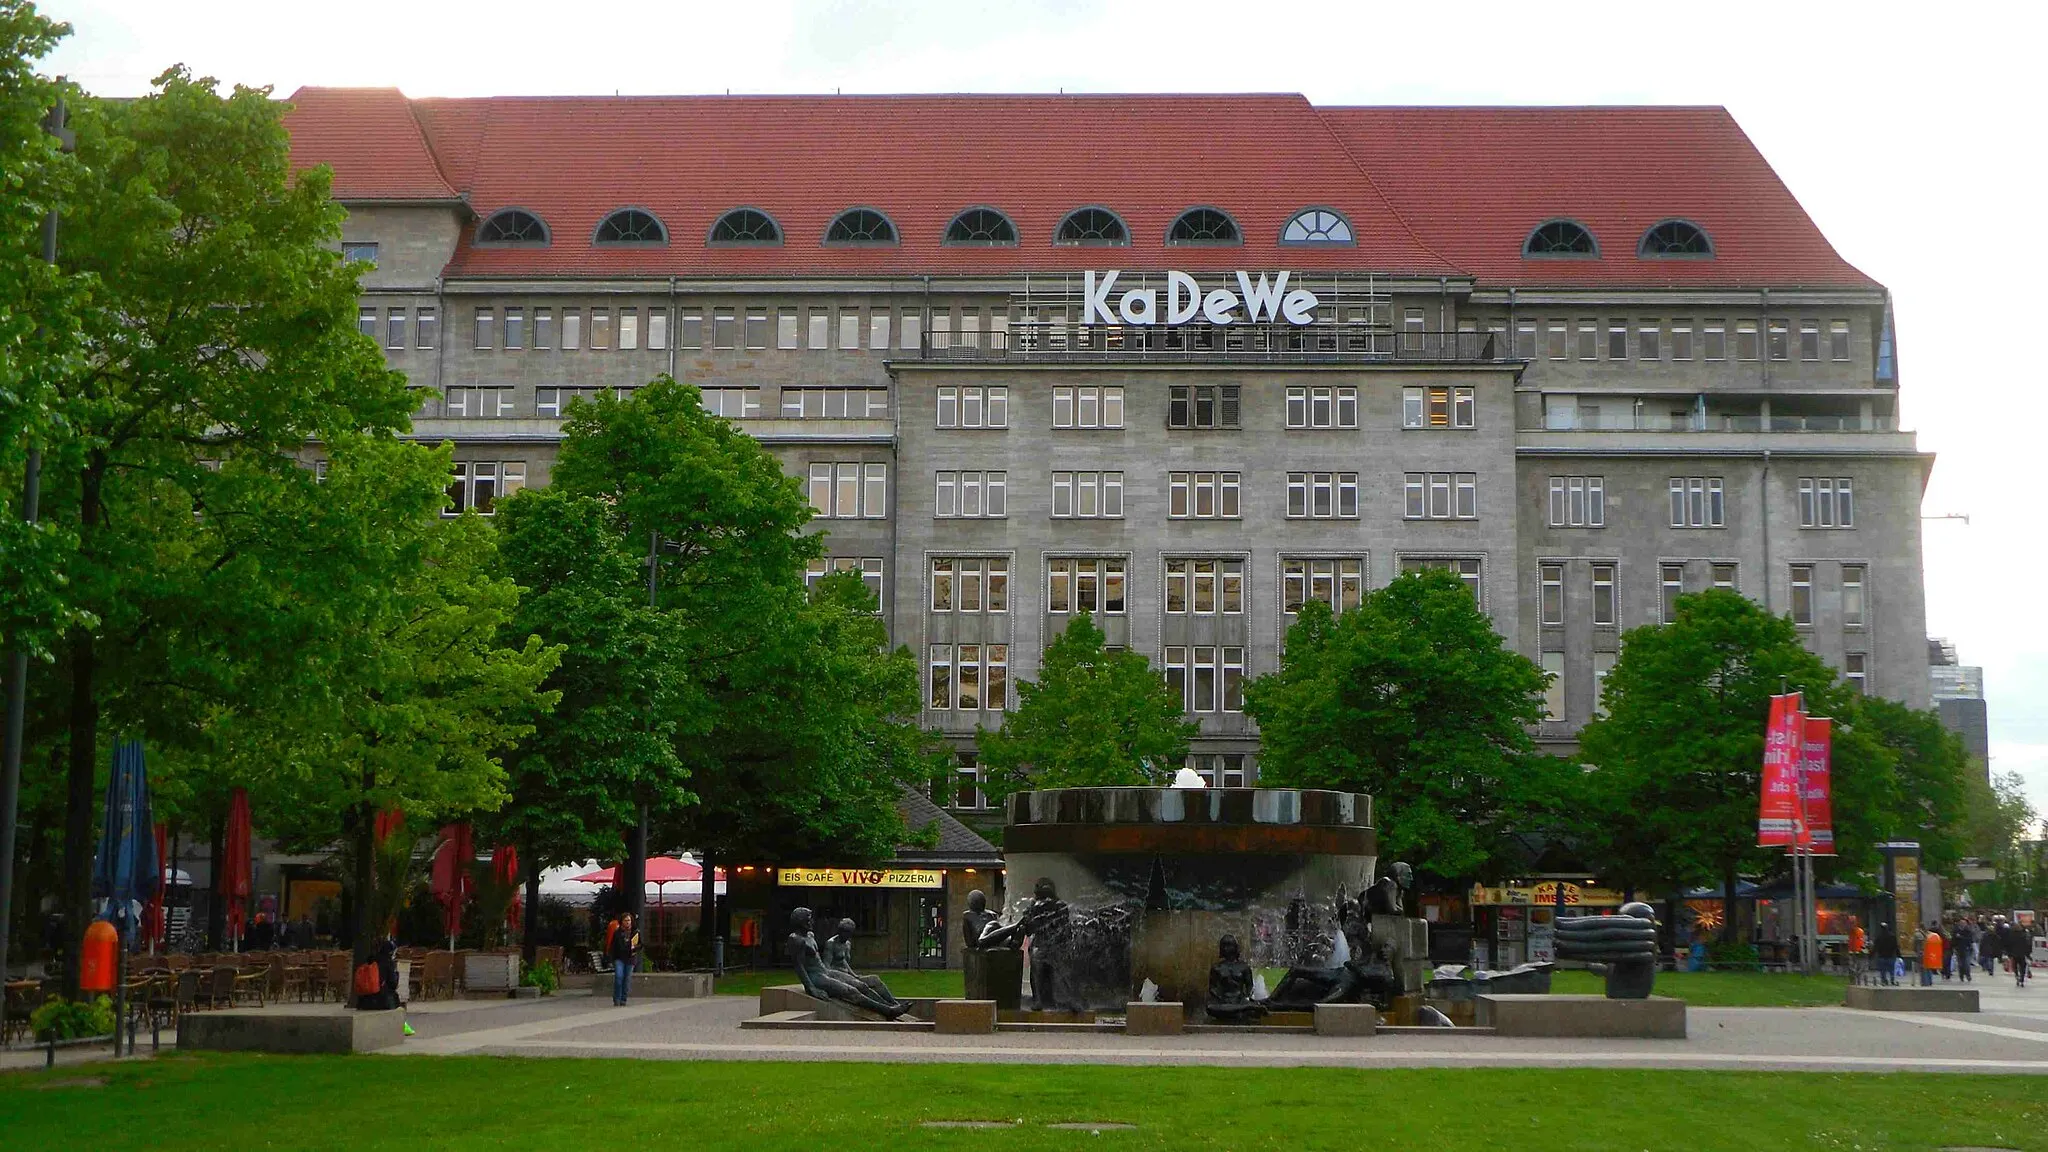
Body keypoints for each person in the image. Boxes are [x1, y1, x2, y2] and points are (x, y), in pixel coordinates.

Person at [608, 911, 640, 1006]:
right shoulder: (617, 933)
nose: (627, 922)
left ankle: (623, 999)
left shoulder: (635, 932)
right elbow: (613, 946)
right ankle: (616, 998)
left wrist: (635, 947)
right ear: (622, 921)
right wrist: (612, 958)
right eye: (625, 920)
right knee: (619, 977)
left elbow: (640, 944)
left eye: (629, 920)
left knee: (627, 979)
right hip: (619, 958)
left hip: (630, 958)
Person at [1873, 922, 1900, 986]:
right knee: (1891, 970)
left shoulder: (1879, 937)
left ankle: (1884, 981)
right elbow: (1896, 946)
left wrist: (1871, 955)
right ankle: (1892, 980)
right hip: (1891, 956)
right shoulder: (1892, 936)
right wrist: (1899, 955)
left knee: (1883, 970)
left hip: (1882, 956)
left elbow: (1875, 947)